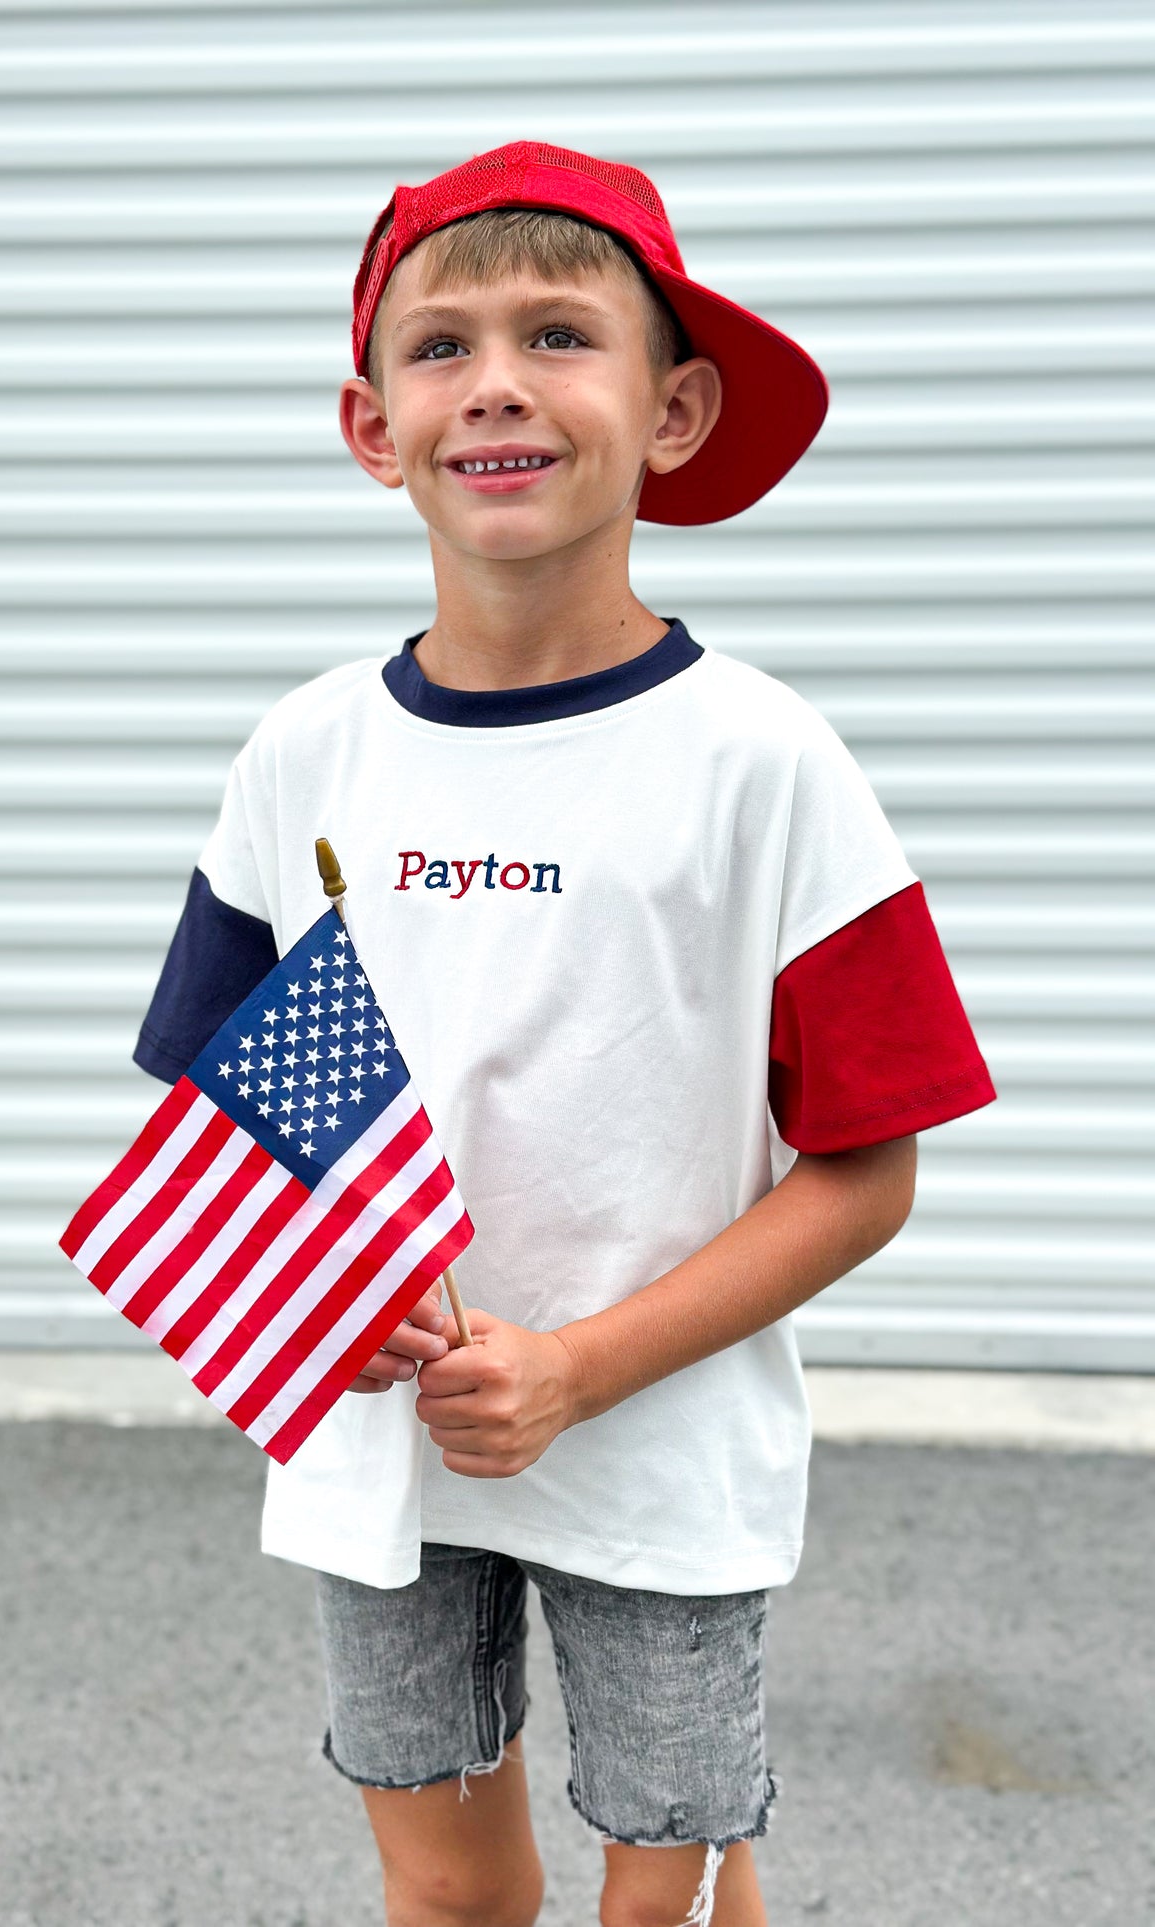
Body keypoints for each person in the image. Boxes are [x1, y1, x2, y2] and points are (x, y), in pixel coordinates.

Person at [132, 140, 997, 1927]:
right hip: (375, 1437)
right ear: (373, 427)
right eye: (437, 346)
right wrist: (316, 1277)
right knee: (444, 1889)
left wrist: (585, 1368)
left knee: (667, 1882)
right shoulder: (304, 754)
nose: (496, 383)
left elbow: (863, 1168)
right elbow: (233, 1095)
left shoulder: (763, 762)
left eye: (557, 334)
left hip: (658, 1445)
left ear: (672, 410)